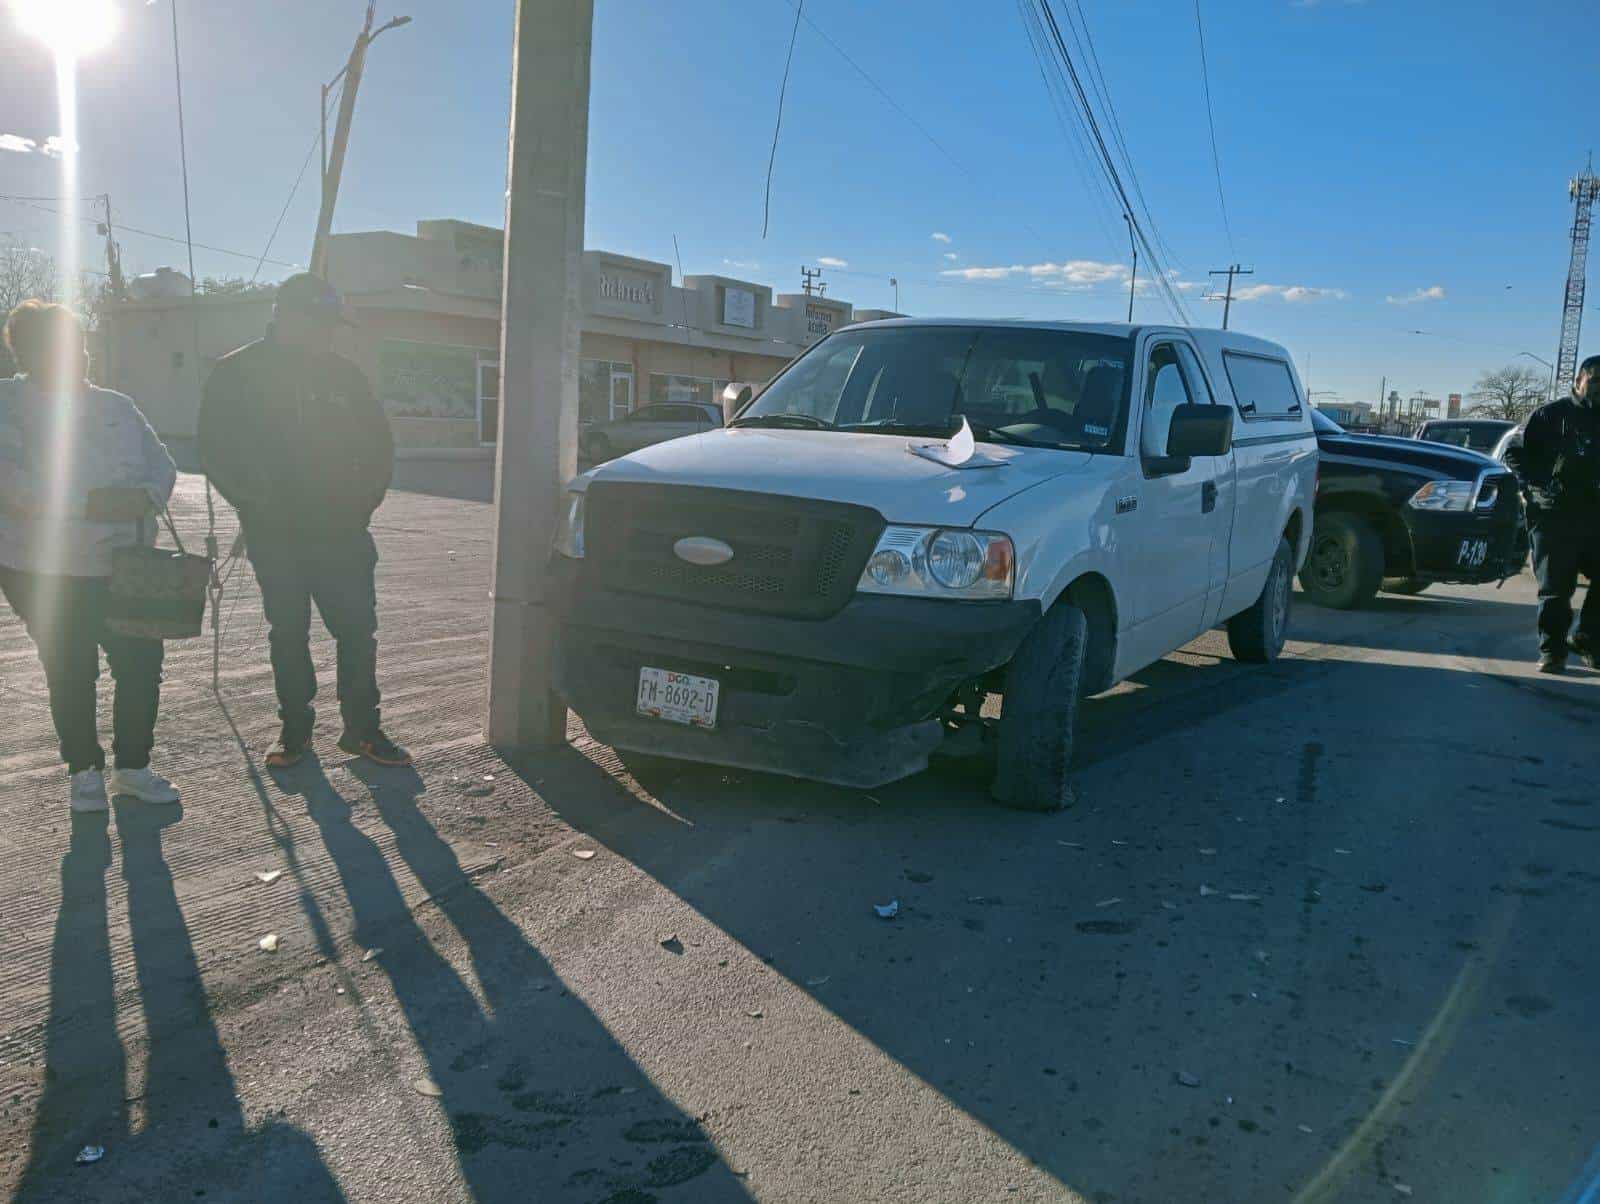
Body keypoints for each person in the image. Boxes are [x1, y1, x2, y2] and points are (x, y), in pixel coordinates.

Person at [198, 273, 409, 767]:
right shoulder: (237, 372)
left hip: (342, 532)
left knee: (357, 631)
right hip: (276, 534)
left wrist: (363, 503)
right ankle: (295, 729)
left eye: (330, 325)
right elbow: (214, 448)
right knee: (288, 631)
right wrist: (254, 503)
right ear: (285, 316)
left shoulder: (344, 375)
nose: (326, 334)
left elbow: (379, 445)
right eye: (318, 323)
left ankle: (363, 729)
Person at [0, 301, 181, 810]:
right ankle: (84, 771)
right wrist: (93, 503)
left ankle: (134, 768)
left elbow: (161, 465)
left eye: (78, 343)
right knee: (70, 667)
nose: (76, 353)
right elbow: (11, 482)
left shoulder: (117, 405)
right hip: (43, 569)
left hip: (127, 564)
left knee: (142, 664)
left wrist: (146, 494)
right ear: (29, 351)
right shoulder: (8, 402)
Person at [1504, 353, 1600, 673]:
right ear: (1579, 381)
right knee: (1557, 588)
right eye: (1595, 381)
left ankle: (1588, 637)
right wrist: (1537, 488)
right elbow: (1514, 454)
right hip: (1554, 516)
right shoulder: (1549, 415)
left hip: (1595, 516)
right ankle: (1552, 651)